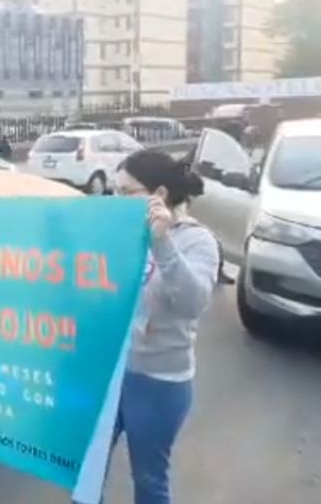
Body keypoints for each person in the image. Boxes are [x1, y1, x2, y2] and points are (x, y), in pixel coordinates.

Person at [101, 149, 220, 504]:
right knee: (86, 471)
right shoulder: (119, 232)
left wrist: (162, 243)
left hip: (157, 382)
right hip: (108, 373)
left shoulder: (196, 241)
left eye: (126, 191)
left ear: (159, 195)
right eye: (114, 191)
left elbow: (192, 303)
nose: (116, 200)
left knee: (149, 479)